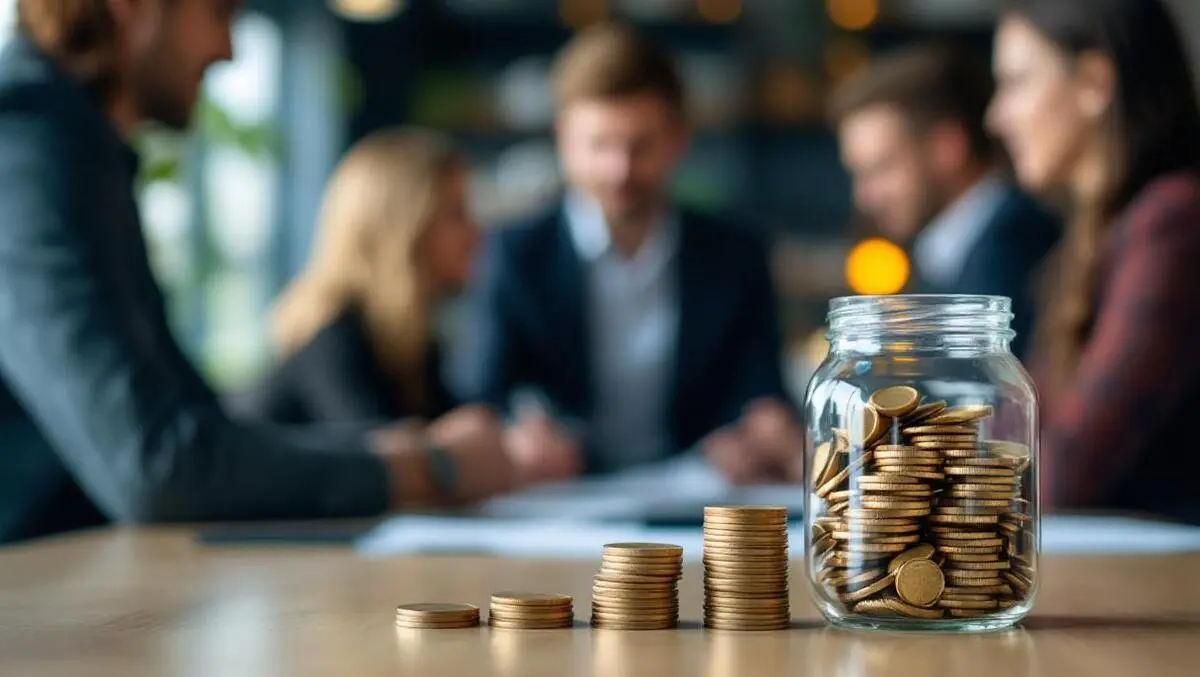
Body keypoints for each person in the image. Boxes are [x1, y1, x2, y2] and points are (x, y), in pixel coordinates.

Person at [0, 0, 520, 544]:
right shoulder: (24, 148)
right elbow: (157, 467)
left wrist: (410, 454)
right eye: (219, 13)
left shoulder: (77, 151)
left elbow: (198, 427)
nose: (227, 51)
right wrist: (428, 467)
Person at [458, 23, 800, 483]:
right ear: (564, 139)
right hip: (558, 495)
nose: (618, 169)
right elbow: (483, 396)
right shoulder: (515, 254)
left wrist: (757, 430)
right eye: (598, 144)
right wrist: (518, 433)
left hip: (702, 491)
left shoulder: (735, 254)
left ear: (678, 138)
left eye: (640, 146)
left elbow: (761, 390)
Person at [987, 0, 1200, 522]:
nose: (996, 116)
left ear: (1094, 84)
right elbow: (1022, 432)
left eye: (1016, 81)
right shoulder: (1096, 236)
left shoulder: (1174, 222)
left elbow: (1064, 470)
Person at [830, 43, 1059, 360]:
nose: (864, 198)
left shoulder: (1012, 248)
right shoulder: (959, 250)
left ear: (947, 149)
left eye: (881, 169)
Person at [238, 128, 475, 427]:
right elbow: (388, 458)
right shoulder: (330, 335)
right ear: (405, 230)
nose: (476, 231)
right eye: (457, 213)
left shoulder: (406, 338)